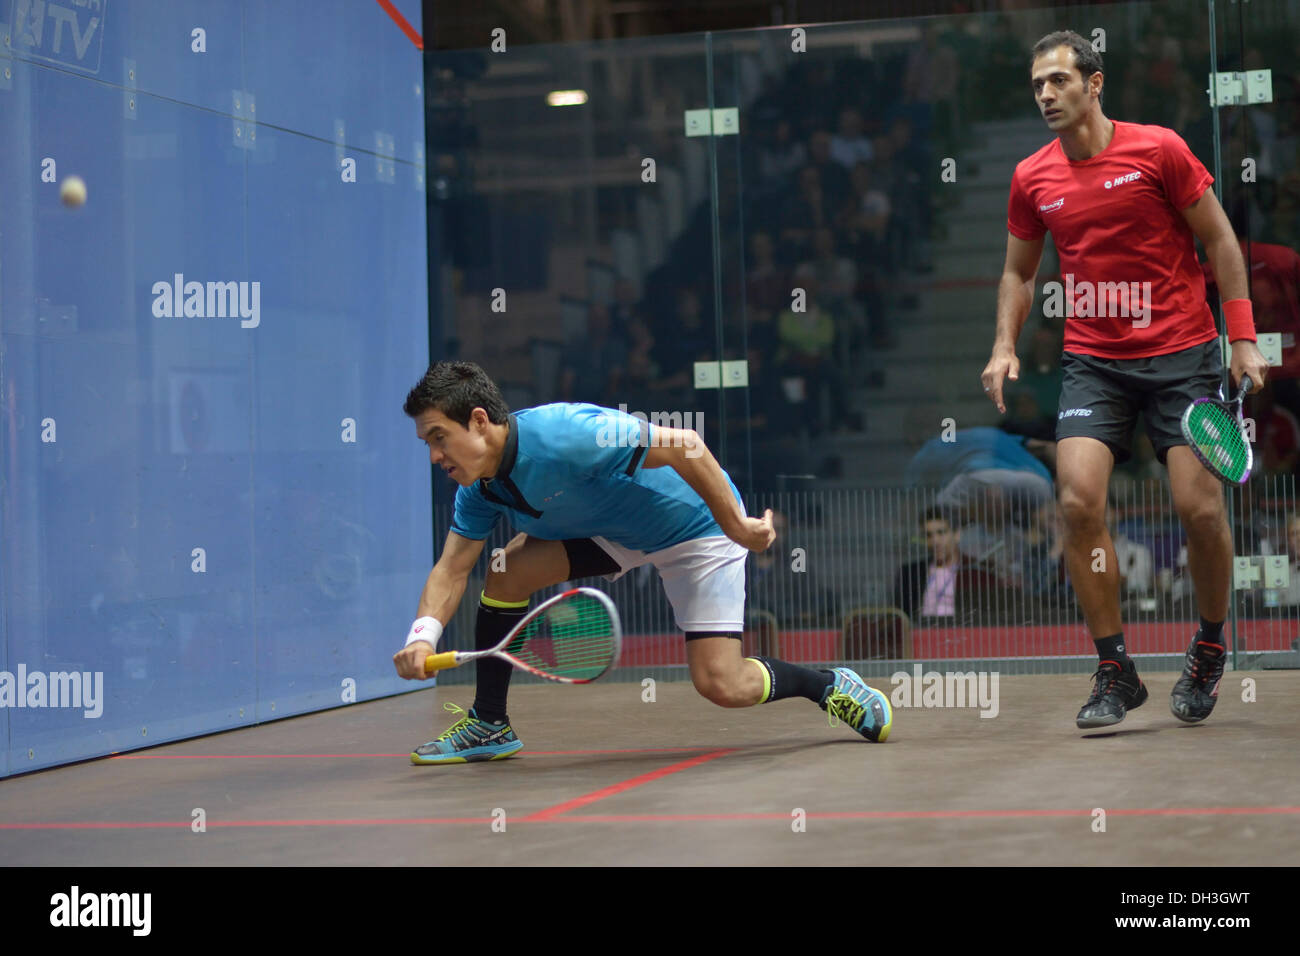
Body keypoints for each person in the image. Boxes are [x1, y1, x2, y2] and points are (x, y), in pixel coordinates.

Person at [981, 31, 1269, 729]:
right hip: (1094, 364)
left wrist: (1243, 338)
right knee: (1078, 503)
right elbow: (1021, 271)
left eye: (1058, 81)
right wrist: (1003, 345)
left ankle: (1207, 644)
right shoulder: (1033, 177)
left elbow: (1220, 239)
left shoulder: (1158, 149)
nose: (1046, 94)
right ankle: (1116, 668)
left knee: (1200, 511)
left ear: (1094, 83)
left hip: (1184, 356)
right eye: (1037, 85)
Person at [392, 361, 892, 763]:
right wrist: (422, 637)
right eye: (427, 443)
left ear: (479, 420)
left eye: (438, 437)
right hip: (617, 532)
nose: (435, 455)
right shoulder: (478, 489)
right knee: (506, 569)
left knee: (723, 685)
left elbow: (686, 445)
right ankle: (489, 723)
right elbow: (452, 569)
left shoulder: (567, 434)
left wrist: (739, 527)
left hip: (695, 526)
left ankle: (827, 685)